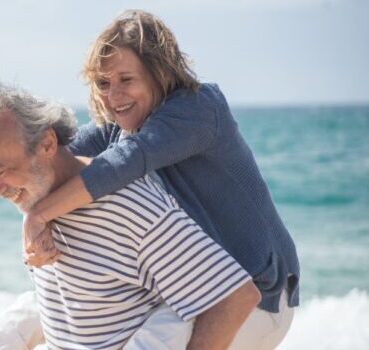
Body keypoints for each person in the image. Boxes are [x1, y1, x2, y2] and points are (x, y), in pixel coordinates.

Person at [18, 9, 299, 350]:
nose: (114, 95)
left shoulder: (198, 108)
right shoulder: (119, 126)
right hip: (193, 289)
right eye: (104, 83)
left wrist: (40, 214)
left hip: (256, 298)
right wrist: (14, 175)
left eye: (126, 79)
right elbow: (59, 159)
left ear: (157, 73)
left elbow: (127, 160)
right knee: (36, 317)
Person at [0, 84, 258, 349]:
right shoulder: (35, 208)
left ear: (46, 144)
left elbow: (235, 297)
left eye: (0, 170)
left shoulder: (130, 207)